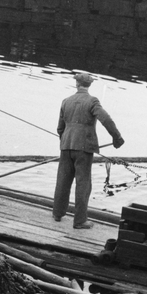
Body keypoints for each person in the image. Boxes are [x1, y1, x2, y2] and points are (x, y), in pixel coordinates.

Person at [54, 72, 124, 228]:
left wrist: (66, 140)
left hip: (66, 145)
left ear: (77, 84)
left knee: (63, 180)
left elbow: (60, 128)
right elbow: (106, 119)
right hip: (84, 147)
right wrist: (117, 138)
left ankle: (57, 213)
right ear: (89, 85)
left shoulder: (66, 101)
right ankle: (79, 221)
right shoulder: (92, 101)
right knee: (83, 183)